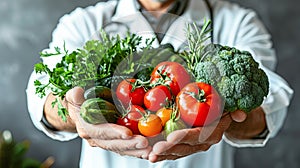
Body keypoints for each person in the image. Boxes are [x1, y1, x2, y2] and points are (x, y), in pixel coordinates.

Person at [26, 0, 294, 167]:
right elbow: (42, 96)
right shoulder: (84, 23)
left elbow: (272, 102)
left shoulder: (238, 22)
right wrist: (74, 113)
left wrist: (230, 117)